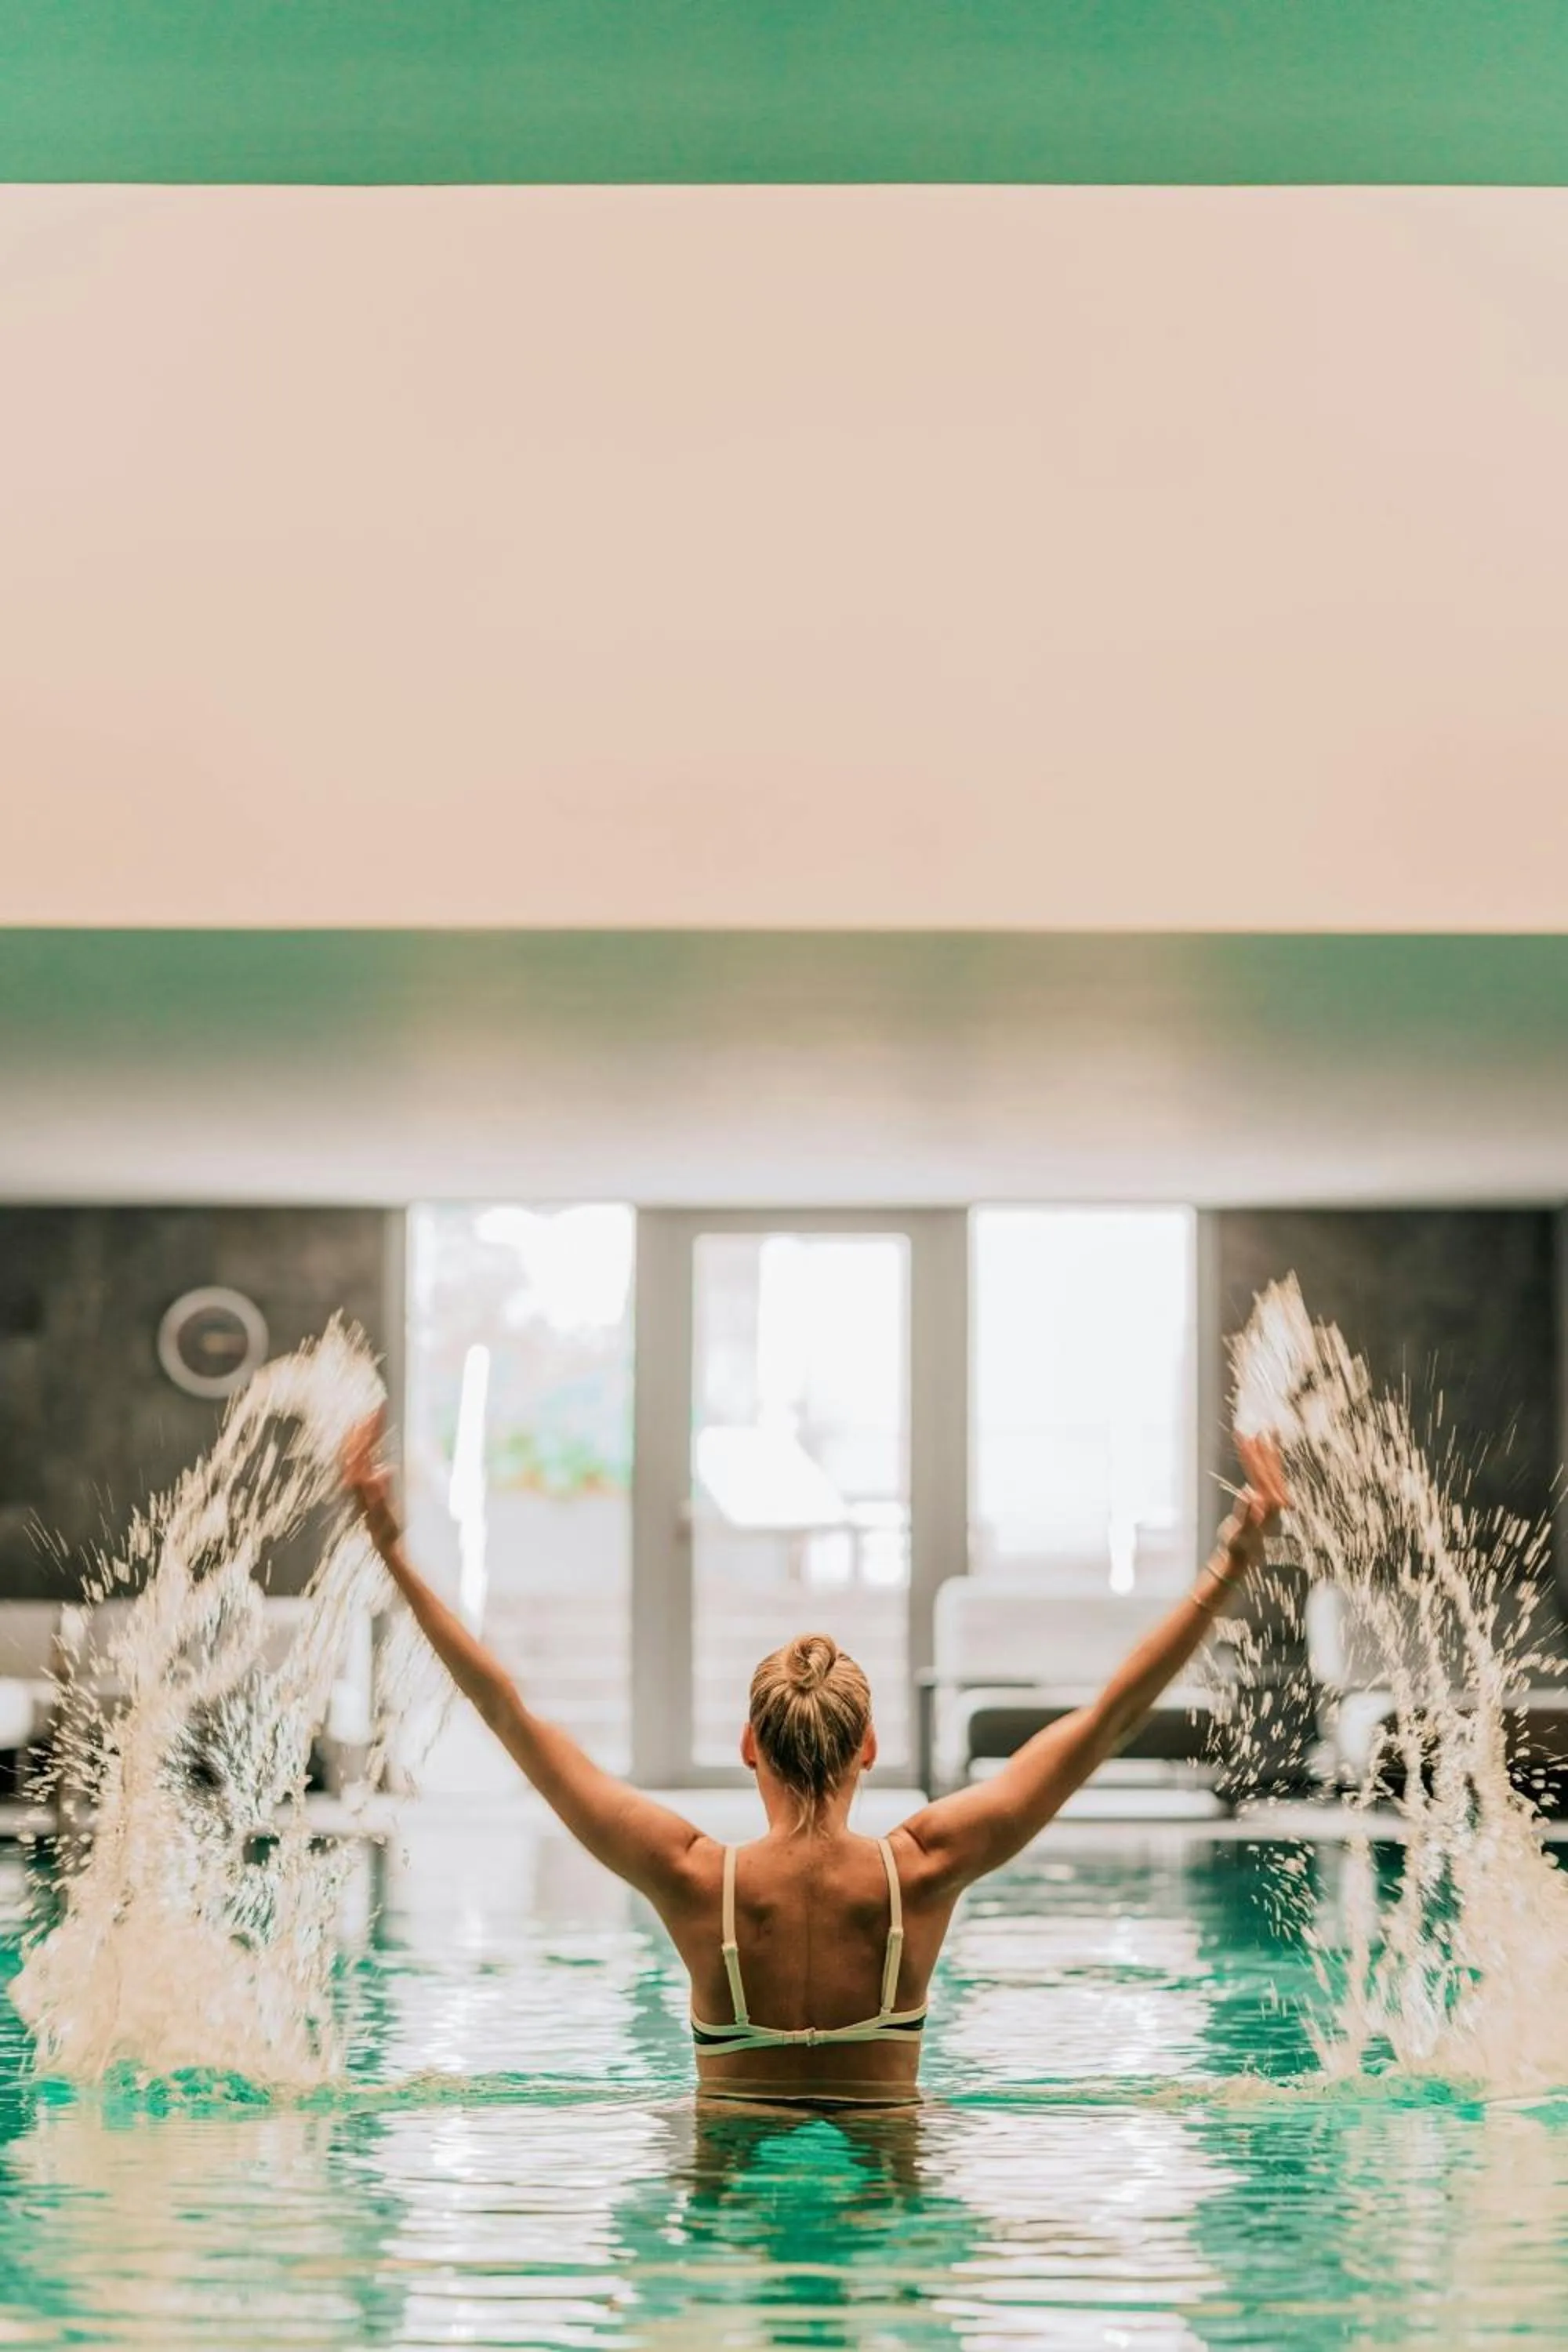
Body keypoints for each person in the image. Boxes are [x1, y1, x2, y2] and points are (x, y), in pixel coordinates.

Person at [342, 1414, 1289, 2109]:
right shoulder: (921, 1871)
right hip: (889, 2177)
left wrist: (390, 1550)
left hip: (722, 2186)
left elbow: (506, 1713)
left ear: (748, 1743)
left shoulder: (685, 1876)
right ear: (868, 1748)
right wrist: (1227, 1564)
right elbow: (1108, 1719)